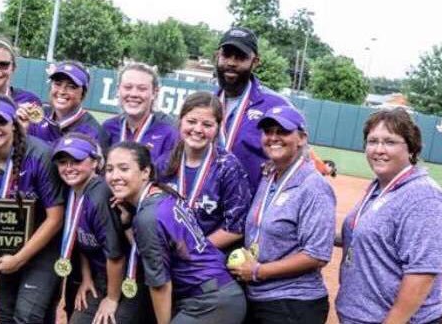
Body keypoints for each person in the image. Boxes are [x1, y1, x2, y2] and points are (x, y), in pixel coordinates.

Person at [107, 142, 246, 324]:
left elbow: (160, 285)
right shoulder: (162, 196)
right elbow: (151, 249)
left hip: (209, 302)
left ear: (145, 172)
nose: (114, 176)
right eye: (109, 169)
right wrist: (127, 224)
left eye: (124, 169)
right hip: (219, 295)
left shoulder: (148, 216)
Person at [336, 108, 442, 324]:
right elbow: (375, 238)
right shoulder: (380, 187)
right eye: (372, 141)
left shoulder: (423, 197)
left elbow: (422, 272)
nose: (379, 149)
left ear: (411, 148)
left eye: (389, 142)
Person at [227, 106, 335, 324]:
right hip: (260, 298)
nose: (273, 137)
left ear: (302, 138)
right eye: (268, 131)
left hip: (293, 302)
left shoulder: (313, 186)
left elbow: (317, 254)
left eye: (282, 131)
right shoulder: (269, 176)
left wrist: (259, 271)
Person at [0, 95, 65, 324]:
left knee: (26, 316)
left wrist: (19, 258)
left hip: (44, 248)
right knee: (6, 315)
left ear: (14, 124)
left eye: (0, 122)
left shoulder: (39, 154)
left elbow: (56, 217)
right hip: (4, 247)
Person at [52, 133, 147, 324]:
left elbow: (116, 257)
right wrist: (87, 278)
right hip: (100, 276)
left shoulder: (100, 196)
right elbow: (82, 240)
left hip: (130, 277)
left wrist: (111, 299)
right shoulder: (73, 192)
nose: (69, 168)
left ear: (95, 163)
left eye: (76, 161)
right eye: (63, 162)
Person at [158, 91, 251, 250]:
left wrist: (195, 249)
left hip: (206, 260)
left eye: (207, 125)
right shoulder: (163, 164)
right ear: (180, 121)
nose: (198, 129)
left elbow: (236, 227)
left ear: (218, 128)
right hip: (167, 254)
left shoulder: (228, 167)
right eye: (192, 121)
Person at [212, 27, 293, 192]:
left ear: (254, 62)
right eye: (226, 55)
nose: (231, 63)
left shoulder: (276, 105)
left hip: (251, 208)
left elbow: (299, 150)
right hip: (207, 206)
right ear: (217, 56)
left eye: (240, 57)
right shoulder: (205, 104)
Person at [102, 62, 180, 163]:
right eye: (128, 87)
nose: (134, 94)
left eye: (142, 89)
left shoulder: (169, 133)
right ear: (118, 90)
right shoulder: (108, 128)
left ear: (154, 93)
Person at [23, 61, 107, 146]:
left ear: (83, 93)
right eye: (58, 84)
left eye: (71, 87)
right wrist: (21, 130)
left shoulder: (92, 131)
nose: (62, 91)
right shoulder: (38, 115)